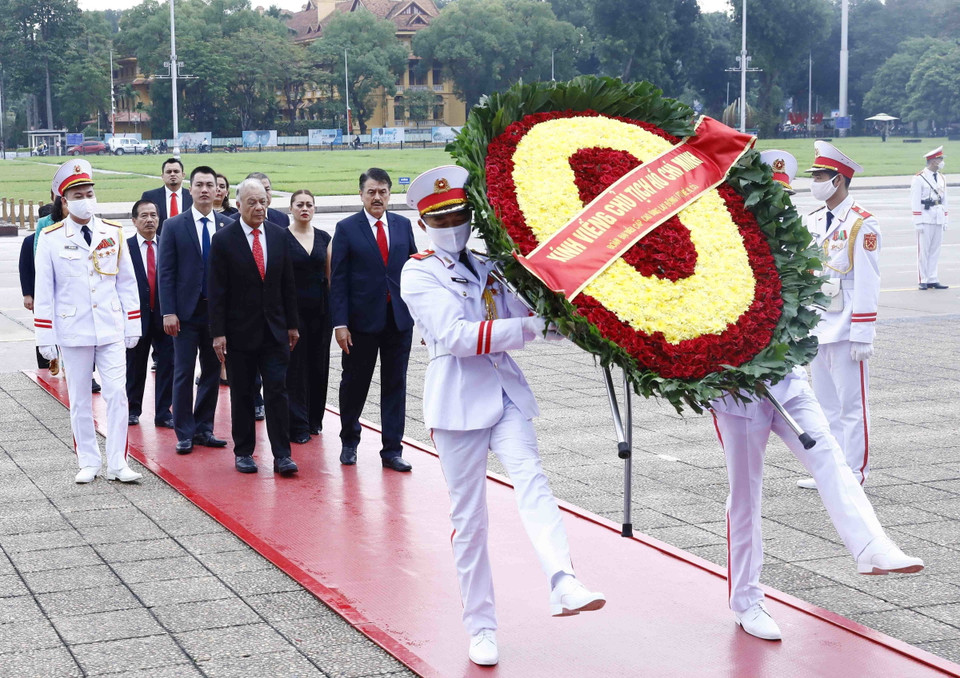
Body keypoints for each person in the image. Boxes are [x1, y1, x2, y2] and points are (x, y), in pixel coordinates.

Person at [712, 152, 923, 642]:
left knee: (829, 454)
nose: (781, 207)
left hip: (788, 377)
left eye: (784, 196)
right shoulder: (721, 247)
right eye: (772, 197)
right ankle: (746, 601)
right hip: (738, 392)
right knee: (744, 498)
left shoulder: (795, 243)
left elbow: (814, 299)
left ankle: (871, 546)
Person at [401, 166, 606, 666]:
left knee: (533, 481)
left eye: (459, 214)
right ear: (425, 223)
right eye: (441, 217)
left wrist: (576, 320)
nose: (453, 224)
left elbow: (530, 313)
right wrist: (531, 326)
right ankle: (482, 625)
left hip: (505, 393)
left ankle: (564, 580)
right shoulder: (419, 271)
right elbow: (455, 337)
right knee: (470, 522)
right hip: (457, 405)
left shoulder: (489, 265)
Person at [33, 159, 142, 484]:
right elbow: (44, 292)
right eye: (78, 194)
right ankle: (88, 461)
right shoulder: (51, 238)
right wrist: (45, 336)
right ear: (65, 200)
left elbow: (126, 282)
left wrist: (132, 324)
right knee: (80, 399)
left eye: (89, 192)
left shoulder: (114, 232)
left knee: (116, 394)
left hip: (110, 328)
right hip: (73, 329)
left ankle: (118, 463)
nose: (85, 199)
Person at [796, 141, 880, 490]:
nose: (814, 181)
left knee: (850, 406)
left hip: (845, 326)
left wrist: (863, 333)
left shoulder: (862, 224)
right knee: (824, 406)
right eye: (813, 174)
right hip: (817, 325)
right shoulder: (813, 219)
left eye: (820, 175)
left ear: (839, 179)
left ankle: (854, 474)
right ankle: (831, 472)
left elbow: (867, 281)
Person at [209, 179, 300, 475]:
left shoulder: (278, 235)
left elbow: (288, 284)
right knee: (243, 393)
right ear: (238, 206)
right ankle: (244, 451)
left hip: (275, 331)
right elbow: (217, 290)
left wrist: (292, 325)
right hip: (239, 333)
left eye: (263, 201)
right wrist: (218, 332)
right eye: (252, 202)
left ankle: (282, 455)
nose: (259, 207)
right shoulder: (223, 240)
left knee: (277, 391)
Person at [330, 168, 417, 472]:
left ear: (389, 194)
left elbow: (415, 275)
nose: (377, 197)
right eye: (371, 192)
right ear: (361, 195)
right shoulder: (347, 228)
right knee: (354, 385)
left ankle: (392, 449)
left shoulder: (403, 226)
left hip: (398, 322)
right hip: (359, 325)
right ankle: (349, 441)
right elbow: (338, 280)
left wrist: (422, 317)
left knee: (395, 386)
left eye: (382, 191)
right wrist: (339, 324)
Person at [158, 165, 230, 455]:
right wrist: (168, 311)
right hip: (185, 314)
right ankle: (184, 432)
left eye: (209, 185)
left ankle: (204, 429)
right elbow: (166, 272)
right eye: (198, 184)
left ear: (217, 191)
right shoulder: (174, 225)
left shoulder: (227, 225)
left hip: (217, 314)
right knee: (184, 372)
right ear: (190, 190)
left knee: (212, 372)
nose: (204, 190)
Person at [285, 190, 332, 443]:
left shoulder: (324, 237)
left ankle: (315, 420)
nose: (305, 208)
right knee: (295, 369)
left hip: (321, 313)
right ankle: (298, 425)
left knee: (318, 366)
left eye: (309, 205)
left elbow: (329, 277)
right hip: (293, 313)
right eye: (300, 204)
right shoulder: (282, 237)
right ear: (291, 208)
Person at [125, 200, 174, 428]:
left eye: (153, 215)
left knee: (167, 364)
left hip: (165, 316)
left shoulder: (167, 245)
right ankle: (132, 408)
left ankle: (164, 412)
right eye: (143, 216)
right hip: (137, 317)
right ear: (134, 220)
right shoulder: (124, 249)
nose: (149, 220)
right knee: (135, 364)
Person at [910, 146, 949, 290]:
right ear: (933, 161)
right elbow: (914, 201)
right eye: (940, 159)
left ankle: (933, 277)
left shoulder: (942, 177)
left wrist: (945, 218)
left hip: (938, 216)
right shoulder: (919, 178)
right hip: (925, 217)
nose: (941, 161)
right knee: (924, 251)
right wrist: (917, 221)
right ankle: (923, 279)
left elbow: (945, 199)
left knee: (935, 249)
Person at [19, 233, 52, 371]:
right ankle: (45, 367)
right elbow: (24, 269)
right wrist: (27, 294)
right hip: (39, 295)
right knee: (44, 332)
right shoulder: (30, 241)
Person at [141, 158, 193, 234]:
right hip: (160, 242)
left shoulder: (192, 196)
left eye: (176, 171)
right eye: (168, 172)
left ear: (183, 175)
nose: (172, 174)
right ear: (162, 176)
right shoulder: (149, 197)